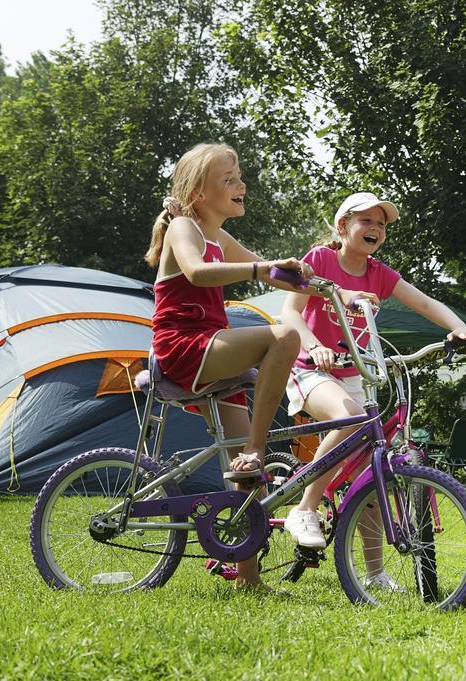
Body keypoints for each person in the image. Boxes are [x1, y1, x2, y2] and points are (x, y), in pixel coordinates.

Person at [280, 192, 466, 589]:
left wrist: (457, 327)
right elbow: (289, 311)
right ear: (343, 227)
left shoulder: (379, 273)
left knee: (369, 476)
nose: (375, 230)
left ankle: (374, 574)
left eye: (382, 224)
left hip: (355, 375)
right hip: (310, 369)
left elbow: (424, 303)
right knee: (351, 420)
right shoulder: (319, 259)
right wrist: (314, 345)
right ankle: (303, 509)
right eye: (366, 221)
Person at [145, 142, 313, 589]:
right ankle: (256, 448)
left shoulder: (219, 236)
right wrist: (261, 269)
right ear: (200, 192)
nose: (242, 185)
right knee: (283, 336)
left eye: (239, 177)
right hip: (186, 346)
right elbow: (199, 273)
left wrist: (327, 287)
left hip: (212, 351)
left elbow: (275, 273)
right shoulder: (185, 228)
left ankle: (248, 578)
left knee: (247, 480)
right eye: (230, 179)